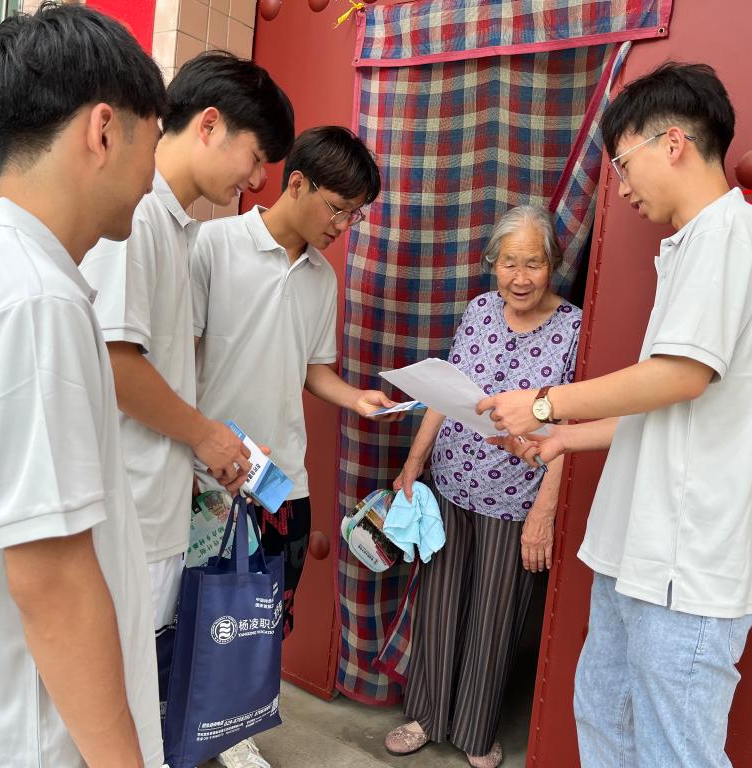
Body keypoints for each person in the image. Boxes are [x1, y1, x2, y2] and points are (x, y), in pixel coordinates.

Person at [478, 63, 752, 767]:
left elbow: (679, 376)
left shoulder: (729, 235)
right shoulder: (698, 244)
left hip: (684, 561)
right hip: (642, 551)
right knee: (607, 722)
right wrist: (564, 439)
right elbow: (673, 405)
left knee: (674, 752)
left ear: (672, 143)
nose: (619, 187)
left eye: (622, 163)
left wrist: (545, 401)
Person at [0, 4, 168, 766]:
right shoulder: (32, 301)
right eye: (152, 143)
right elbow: (53, 582)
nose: (151, 179)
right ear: (104, 131)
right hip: (25, 732)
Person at [190, 125, 392, 768]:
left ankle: (235, 732)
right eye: (339, 209)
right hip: (210, 475)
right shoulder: (213, 245)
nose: (344, 226)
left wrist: (355, 398)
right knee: (194, 613)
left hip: (282, 483)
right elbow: (180, 358)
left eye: (355, 215)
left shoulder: (321, 278)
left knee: (262, 619)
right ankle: (179, 729)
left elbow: (314, 370)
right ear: (297, 183)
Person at [79, 51, 295, 635]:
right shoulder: (137, 217)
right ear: (210, 124)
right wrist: (205, 435)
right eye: (256, 158)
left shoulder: (176, 226)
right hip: (126, 514)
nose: (257, 181)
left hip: (154, 510)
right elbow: (115, 362)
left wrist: (203, 450)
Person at [384, 206, 582, 768]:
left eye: (533, 263)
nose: (520, 278)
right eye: (509, 263)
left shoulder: (573, 327)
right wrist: (414, 462)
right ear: (493, 263)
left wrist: (544, 511)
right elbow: (445, 394)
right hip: (452, 485)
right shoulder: (478, 311)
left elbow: (572, 428)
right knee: (439, 604)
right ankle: (425, 716)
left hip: (515, 498)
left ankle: (475, 730)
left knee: (494, 616)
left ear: (553, 265)